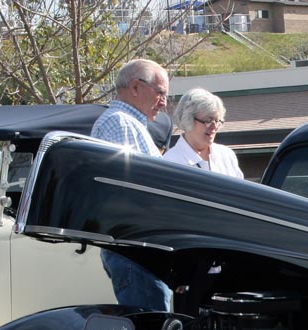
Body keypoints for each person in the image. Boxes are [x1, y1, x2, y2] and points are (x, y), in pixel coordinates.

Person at [92, 59, 172, 311]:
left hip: (137, 251)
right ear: (136, 87)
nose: (164, 102)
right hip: (136, 250)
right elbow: (130, 191)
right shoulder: (120, 123)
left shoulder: (127, 123)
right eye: (160, 92)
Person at [163, 88, 243, 178]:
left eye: (217, 121)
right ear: (188, 119)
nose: (214, 127)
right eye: (208, 121)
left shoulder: (226, 155)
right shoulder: (171, 163)